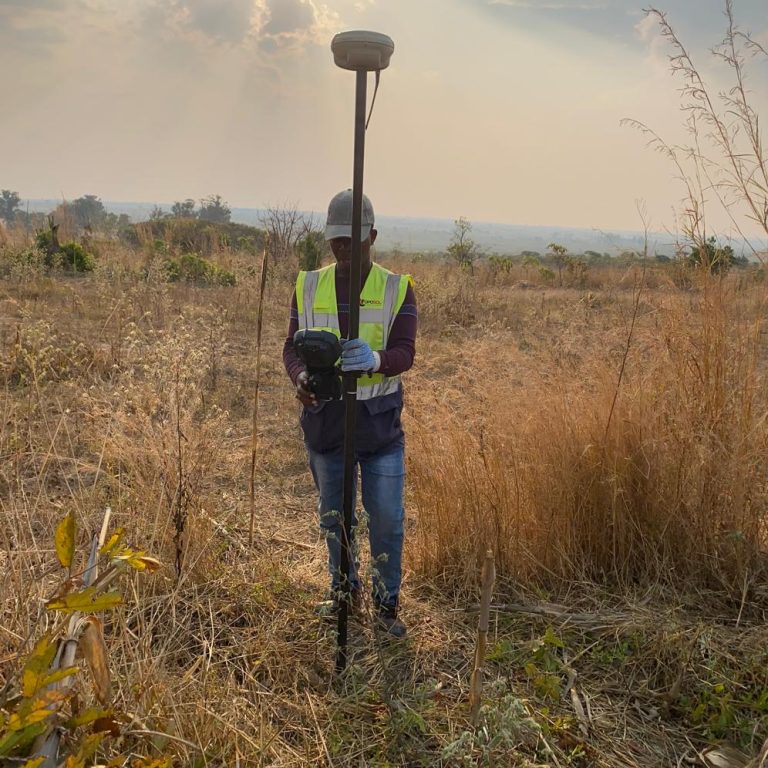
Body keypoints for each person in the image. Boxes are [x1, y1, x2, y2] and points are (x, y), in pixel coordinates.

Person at [282, 189, 417, 638]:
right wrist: (301, 379)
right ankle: (343, 591)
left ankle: (385, 606)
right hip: (326, 425)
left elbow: (405, 352)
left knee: (386, 520)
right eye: (335, 239)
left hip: (378, 428)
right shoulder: (307, 284)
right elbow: (291, 348)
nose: (341, 248)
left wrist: (375, 360)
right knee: (334, 519)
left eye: (352, 240)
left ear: (372, 237)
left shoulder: (398, 288)